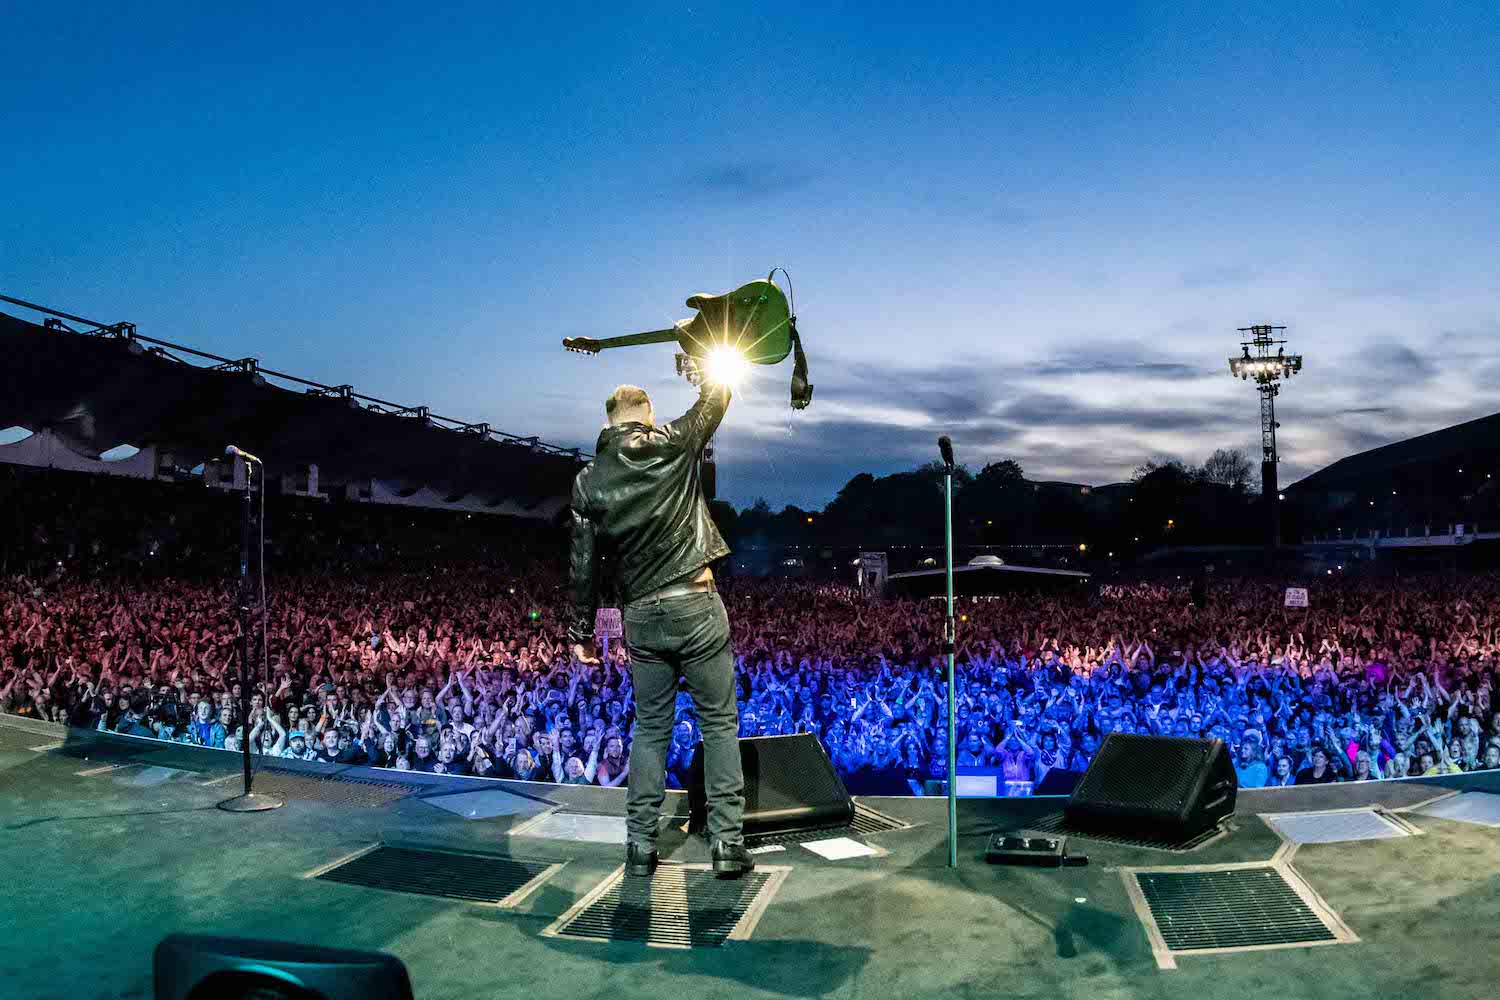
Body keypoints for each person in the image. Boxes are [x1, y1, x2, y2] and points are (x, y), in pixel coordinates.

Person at [567, 378, 751, 879]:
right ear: (646, 414)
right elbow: (715, 401)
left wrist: (581, 632)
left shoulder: (587, 481)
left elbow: (582, 564)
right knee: (718, 723)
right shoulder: (669, 443)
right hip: (694, 600)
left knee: (650, 729)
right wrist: (709, 362)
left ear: (608, 420)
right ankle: (727, 845)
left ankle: (639, 846)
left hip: (641, 614)